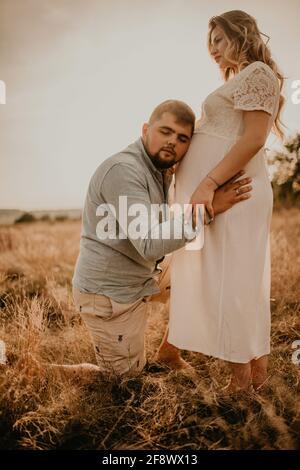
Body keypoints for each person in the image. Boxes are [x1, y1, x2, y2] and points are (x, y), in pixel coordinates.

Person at [55, 100, 252, 380]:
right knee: (124, 380)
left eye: (182, 138)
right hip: (110, 295)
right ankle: (35, 369)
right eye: (165, 131)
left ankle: (169, 353)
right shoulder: (124, 171)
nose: (173, 142)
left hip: (144, 276)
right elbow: (149, 244)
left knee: (200, 272)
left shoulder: (161, 170)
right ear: (146, 129)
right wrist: (207, 209)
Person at [162, 11, 284, 392]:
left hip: (234, 190)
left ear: (241, 33)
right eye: (208, 43)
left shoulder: (257, 74)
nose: (212, 50)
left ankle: (241, 378)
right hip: (225, 191)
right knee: (239, 280)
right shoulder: (246, 77)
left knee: (231, 280)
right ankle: (257, 376)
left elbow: (253, 139)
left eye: (217, 39)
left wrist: (208, 183)